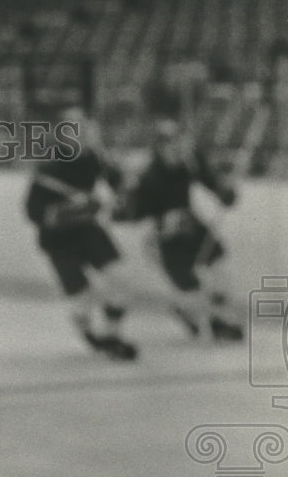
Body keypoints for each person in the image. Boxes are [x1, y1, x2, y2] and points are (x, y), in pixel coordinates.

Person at [24, 106, 139, 360]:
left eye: (84, 127)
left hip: (87, 231)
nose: (83, 134)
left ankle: (112, 335)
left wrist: (125, 189)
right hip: (59, 240)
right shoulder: (50, 167)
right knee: (83, 299)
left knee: (122, 278)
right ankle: (89, 333)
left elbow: (119, 187)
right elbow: (33, 211)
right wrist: (68, 210)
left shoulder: (94, 158)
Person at [119, 115, 244, 341]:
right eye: (171, 143)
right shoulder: (149, 177)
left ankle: (217, 319)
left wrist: (225, 193)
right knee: (191, 290)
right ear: (160, 147)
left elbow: (211, 182)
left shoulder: (190, 162)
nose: (178, 148)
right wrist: (130, 200)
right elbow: (132, 213)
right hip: (167, 238)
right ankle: (189, 311)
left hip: (193, 228)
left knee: (220, 270)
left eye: (180, 142)